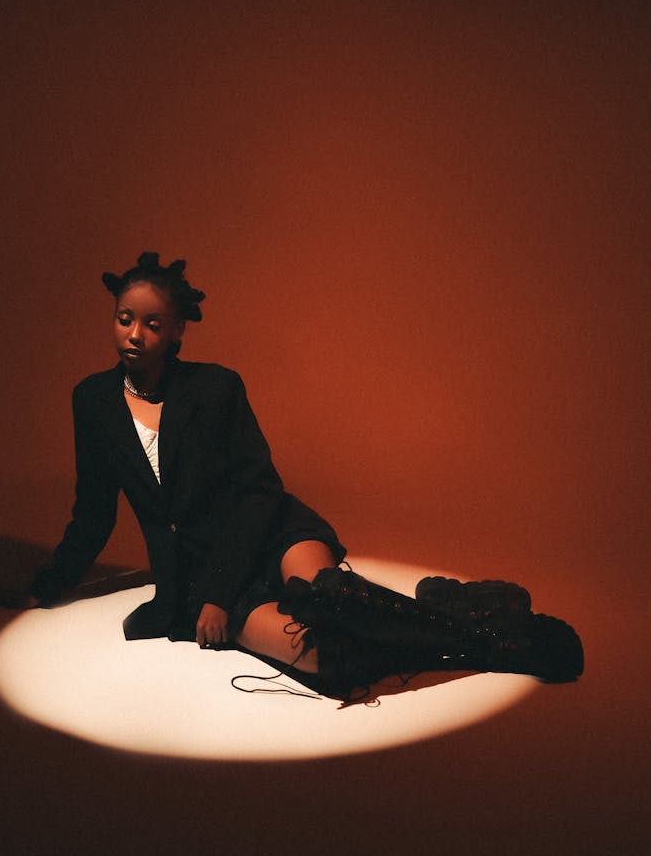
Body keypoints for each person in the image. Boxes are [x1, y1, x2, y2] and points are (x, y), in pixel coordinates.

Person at [29, 252, 583, 701]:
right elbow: (94, 509)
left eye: (152, 323)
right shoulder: (93, 401)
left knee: (332, 599)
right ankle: (455, 609)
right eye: (125, 318)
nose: (135, 334)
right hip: (199, 572)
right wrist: (47, 587)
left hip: (267, 531)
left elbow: (260, 491)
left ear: (177, 332)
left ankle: (497, 645)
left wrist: (221, 592)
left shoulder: (216, 387)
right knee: (325, 659)